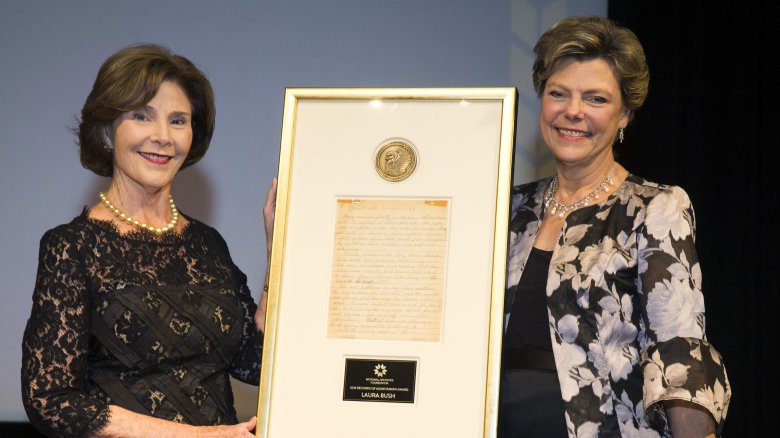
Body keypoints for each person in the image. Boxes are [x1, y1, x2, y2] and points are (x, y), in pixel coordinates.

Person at [21, 44, 276, 438]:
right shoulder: (72, 247)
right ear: (107, 131)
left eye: (178, 121)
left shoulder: (207, 244)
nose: (162, 137)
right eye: (142, 116)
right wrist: (196, 436)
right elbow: (51, 400)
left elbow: (253, 364)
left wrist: (280, 252)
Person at [498, 16, 731, 437]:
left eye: (595, 98)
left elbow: (678, 355)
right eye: (558, 93)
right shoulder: (505, 206)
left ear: (624, 114)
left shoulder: (655, 208)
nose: (572, 111)